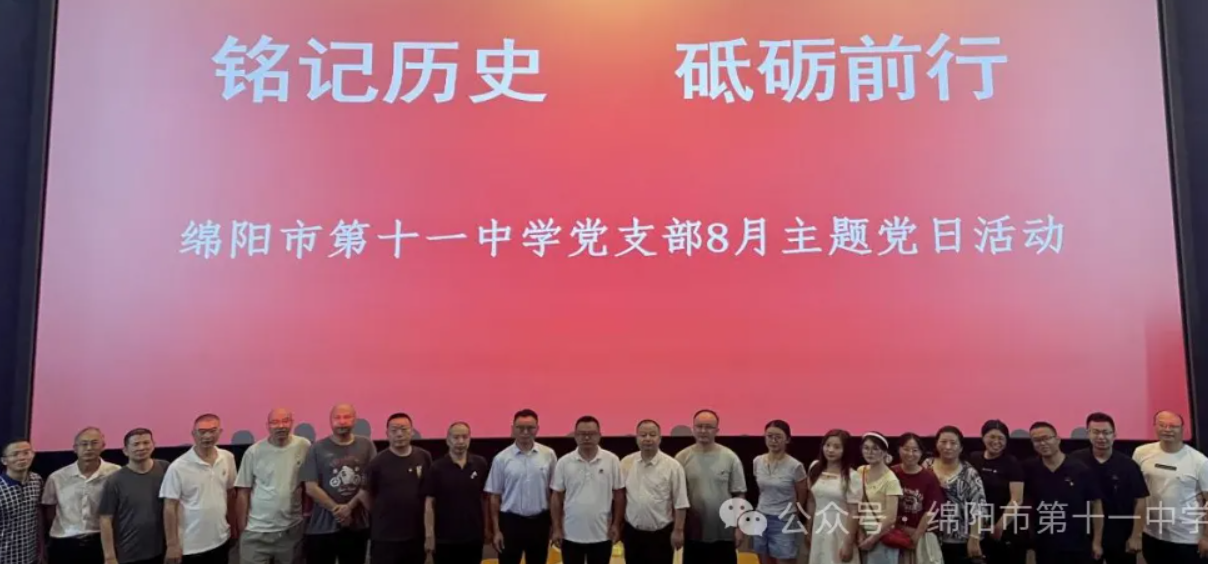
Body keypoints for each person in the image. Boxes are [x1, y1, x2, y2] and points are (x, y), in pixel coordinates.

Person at [300, 403, 376, 564]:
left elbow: (370, 483)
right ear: (330, 421)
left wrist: (349, 507)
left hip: (357, 525)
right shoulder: (316, 448)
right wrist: (337, 510)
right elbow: (311, 487)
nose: (342, 421)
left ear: (354, 420)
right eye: (337, 418)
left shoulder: (367, 445)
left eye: (347, 417)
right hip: (322, 528)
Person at [1068, 412, 1147, 564]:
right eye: (1096, 432)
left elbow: (1140, 500)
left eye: (1106, 432)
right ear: (1088, 434)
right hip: (1084, 533)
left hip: (1120, 534)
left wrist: (1136, 536)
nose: (1101, 437)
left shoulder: (1128, 465)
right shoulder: (1074, 461)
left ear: (1114, 434)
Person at [235, 408, 310, 564]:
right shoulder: (254, 452)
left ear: (292, 423)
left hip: (291, 531)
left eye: (285, 421)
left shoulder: (304, 446)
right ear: (268, 426)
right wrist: (243, 528)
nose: (280, 426)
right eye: (275, 422)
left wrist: (304, 516)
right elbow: (243, 491)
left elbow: (307, 485)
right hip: (256, 531)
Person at [160, 413, 238, 564]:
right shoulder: (178, 467)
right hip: (191, 546)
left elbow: (230, 494)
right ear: (193, 434)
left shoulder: (227, 458)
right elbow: (169, 507)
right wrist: (172, 545)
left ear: (220, 432)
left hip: (221, 538)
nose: (207, 436)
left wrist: (233, 525)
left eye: (212, 431)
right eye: (202, 432)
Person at [356, 412, 432, 564]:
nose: (399, 434)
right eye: (394, 430)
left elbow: (430, 494)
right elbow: (364, 494)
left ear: (412, 431)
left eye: (404, 429)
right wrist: (381, 511)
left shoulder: (424, 457)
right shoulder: (377, 462)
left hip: (416, 534)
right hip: (385, 536)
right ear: (387, 434)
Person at [1022, 421, 1103, 564]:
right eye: (1037, 440)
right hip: (1045, 543)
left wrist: (1097, 541)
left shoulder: (1080, 469)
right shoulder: (1029, 468)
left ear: (1058, 439)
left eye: (1046, 438)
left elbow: (1096, 505)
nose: (1042, 443)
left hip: (1077, 543)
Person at [1134, 410, 1208, 563]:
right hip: (1152, 533)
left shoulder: (1199, 461)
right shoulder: (1141, 453)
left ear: (1183, 429)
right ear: (1155, 426)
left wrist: (1206, 537)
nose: (1167, 430)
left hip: (1187, 538)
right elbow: (1136, 493)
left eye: (1173, 426)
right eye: (1162, 425)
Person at [485, 408, 557, 564]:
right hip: (511, 523)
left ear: (537, 429)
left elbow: (554, 493)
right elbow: (494, 497)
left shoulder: (549, 455)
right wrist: (496, 531)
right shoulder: (501, 458)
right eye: (520, 428)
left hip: (540, 522)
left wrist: (556, 526)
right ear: (512, 429)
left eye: (530, 428)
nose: (525, 432)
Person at [551, 416, 624, 564]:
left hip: (602, 534)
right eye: (582, 434)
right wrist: (557, 528)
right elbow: (556, 497)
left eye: (591, 434)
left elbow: (619, 495)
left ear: (599, 435)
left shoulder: (612, 460)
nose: (586, 437)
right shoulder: (564, 462)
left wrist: (616, 525)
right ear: (575, 436)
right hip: (570, 534)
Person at [677, 409, 747, 564]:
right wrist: (678, 529)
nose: (703, 431)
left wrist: (740, 527)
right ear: (693, 429)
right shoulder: (681, 458)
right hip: (693, 533)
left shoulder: (730, 457)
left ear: (717, 430)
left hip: (724, 533)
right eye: (699, 426)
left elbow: (739, 495)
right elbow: (676, 498)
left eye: (708, 427)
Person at [43, 427, 121, 564]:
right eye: (84, 444)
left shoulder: (116, 473)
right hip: (64, 543)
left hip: (101, 542)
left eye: (94, 443)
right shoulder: (57, 477)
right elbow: (50, 511)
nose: (89, 448)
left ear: (103, 446)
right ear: (75, 448)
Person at [619, 419, 688, 564]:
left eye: (652, 434)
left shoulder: (673, 466)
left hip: (661, 535)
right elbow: (621, 498)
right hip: (632, 534)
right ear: (636, 438)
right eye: (643, 435)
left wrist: (678, 531)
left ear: (660, 438)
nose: (647, 439)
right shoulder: (625, 463)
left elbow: (680, 502)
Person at [423, 422, 490, 564]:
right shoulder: (436, 467)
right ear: (448, 440)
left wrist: (487, 528)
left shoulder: (480, 464)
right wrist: (429, 534)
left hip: (473, 537)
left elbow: (485, 499)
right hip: (444, 538)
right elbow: (429, 504)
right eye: (456, 437)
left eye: (464, 437)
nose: (460, 441)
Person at [99, 428, 169, 564]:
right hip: (129, 553)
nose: (141, 447)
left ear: (153, 445)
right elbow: (105, 519)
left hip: (162, 550)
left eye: (146, 443)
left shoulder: (165, 468)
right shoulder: (114, 480)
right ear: (125, 450)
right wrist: (109, 556)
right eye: (136, 444)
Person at [925, 426, 986, 564]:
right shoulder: (927, 465)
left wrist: (974, 537)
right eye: (943, 442)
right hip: (930, 536)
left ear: (961, 447)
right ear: (936, 444)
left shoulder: (969, 473)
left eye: (953, 443)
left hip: (961, 539)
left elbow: (979, 507)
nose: (948, 447)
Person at [968, 420, 1025, 564]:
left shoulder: (1012, 462)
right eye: (992, 437)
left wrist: (1000, 526)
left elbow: (1017, 499)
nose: (996, 442)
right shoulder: (974, 458)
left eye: (1001, 438)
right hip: (976, 527)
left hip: (1004, 526)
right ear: (983, 437)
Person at [751, 420, 808, 564]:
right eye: (769, 436)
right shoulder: (757, 461)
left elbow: (802, 494)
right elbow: (762, 489)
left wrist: (795, 514)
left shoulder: (795, 466)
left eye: (778, 437)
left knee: (785, 560)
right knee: (763, 559)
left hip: (784, 519)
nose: (773, 440)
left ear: (787, 439)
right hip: (761, 516)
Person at [806, 429, 860, 564]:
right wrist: (808, 528)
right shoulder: (815, 468)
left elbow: (854, 512)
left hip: (840, 529)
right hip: (819, 527)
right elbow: (811, 501)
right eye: (827, 445)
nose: (830, 450)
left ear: (845, 450)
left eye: (837, 447)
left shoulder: (852, 476)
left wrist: (848, 543)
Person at [891, 432, 944, 564]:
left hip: (922, 535)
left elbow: (931, 509)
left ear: (921, 453)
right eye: (906, 449)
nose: (910, 454)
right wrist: (901, 528)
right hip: (894, 535)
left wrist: (916, 536)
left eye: (915, 450)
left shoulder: (929, 477)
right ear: (899, 449)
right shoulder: (891, 473)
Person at [856, 433, 902, 564]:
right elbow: (859, 505)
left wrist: (872, 539)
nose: (870, 452)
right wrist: (860, 532)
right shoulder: (861, 471)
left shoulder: (891, 480)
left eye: (875, 448)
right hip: (863, 536)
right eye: (866, 448)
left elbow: (890, 518)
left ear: (884, 452)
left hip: (882, 538)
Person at [0, 439, 43, 564]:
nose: (22, 457)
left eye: (26, 452)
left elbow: (38, 516)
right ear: (4, 461)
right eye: (15, 454)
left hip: (30, 556)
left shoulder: (37, 480)